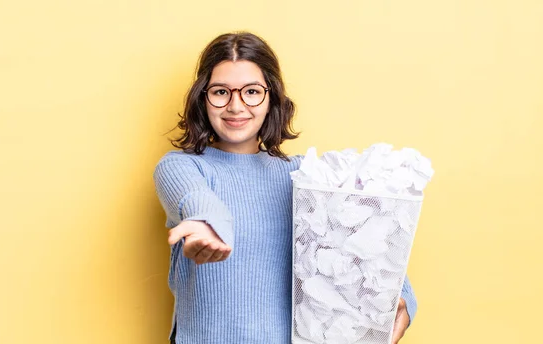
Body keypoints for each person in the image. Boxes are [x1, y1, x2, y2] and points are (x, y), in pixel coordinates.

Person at [153, 32, 417, 344]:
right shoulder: (182, 166)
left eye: (251, 91)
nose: (236, 106)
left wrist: (403, 300)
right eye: (221, 92)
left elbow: (365, 247)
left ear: (271, 99)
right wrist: (209, 224)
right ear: (203, 98)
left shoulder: (304, 174)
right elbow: (197, 199)